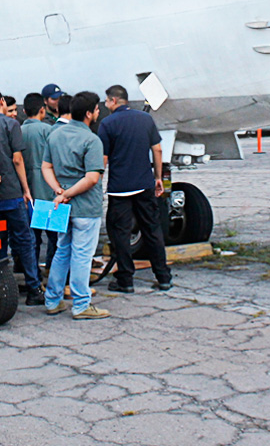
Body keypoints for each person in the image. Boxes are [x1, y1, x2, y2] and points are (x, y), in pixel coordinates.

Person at [41, 91, 110, 319]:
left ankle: (52, 300)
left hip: (62, 206)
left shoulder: (56, 135)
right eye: (97, 108)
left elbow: (46, 167)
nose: (99, 112)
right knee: (82, 255)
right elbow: (92, 178)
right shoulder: (92, 140)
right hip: (85, 207)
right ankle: (81, 304)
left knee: (62, 251)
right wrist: (68, 193)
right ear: (89, 113)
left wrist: (59, 191)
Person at [98, 84, 172, 292]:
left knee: (120, 234)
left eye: (106, 101)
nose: (105, 104)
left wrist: (97, 181)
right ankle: (163, 276)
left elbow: (103, 159)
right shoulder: (145, 119)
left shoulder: (107, 123)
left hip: (120, 187)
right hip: (144, 184)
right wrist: (157, 177)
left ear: (113, 101)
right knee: (152, 229)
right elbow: (157, 149)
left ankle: (125, 279)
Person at [0, 85, 44, 305]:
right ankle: (34, 288)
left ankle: (0, 285)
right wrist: (26, 190)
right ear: (1, 103)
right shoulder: (11, 124)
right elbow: (17, 159)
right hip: (12, 194)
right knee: (25, 240)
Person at [20, 92, 56, 274]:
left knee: (32, 238)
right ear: (42, 110)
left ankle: (32, 272)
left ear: (24, 110)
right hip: (47, 191)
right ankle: (53, 269)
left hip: (27, 193)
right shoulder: (47, 130)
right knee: (55, 236)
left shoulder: (18, 130)